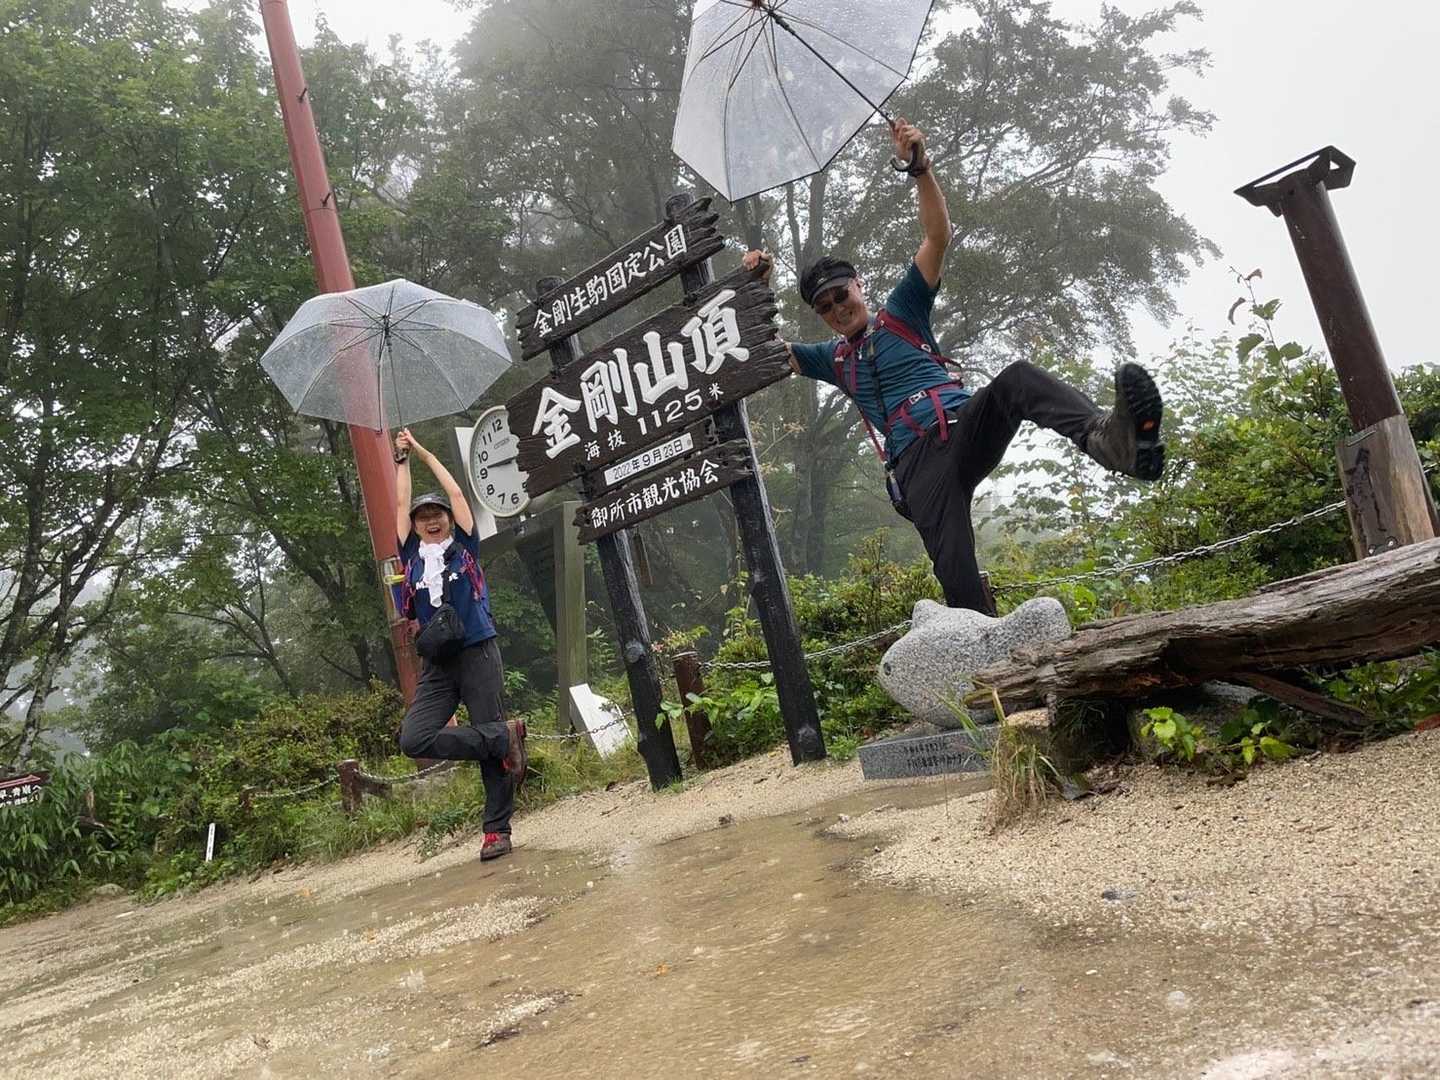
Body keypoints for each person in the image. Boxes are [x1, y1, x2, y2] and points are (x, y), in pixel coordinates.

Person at [742, 118, 1166, 614]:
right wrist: (755, 289)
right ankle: (992, 651)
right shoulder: (832, 358)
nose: (837, 309)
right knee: (957, 579)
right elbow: (768, 352)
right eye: (824, 306)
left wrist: (919, 166)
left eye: (841, 295)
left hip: (961, 425)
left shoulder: (902, 311)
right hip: (914, 468)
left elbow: (937, 236)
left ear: (859, 286)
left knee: (1018, 379)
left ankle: (1110, 440)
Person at [393, 427, 526, 861]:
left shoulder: (465, 546)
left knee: (487, 734)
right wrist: (401, 460)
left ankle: (496, 831)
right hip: (438, 664)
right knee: (414, 738)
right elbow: (399, 504)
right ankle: (501, 738)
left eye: (437, 514)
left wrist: (424, 453)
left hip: (477, 651)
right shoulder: (412, 558)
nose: (431, 520)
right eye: (423, 516)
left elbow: (456, 492)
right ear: (415, 526)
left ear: (449, 519)